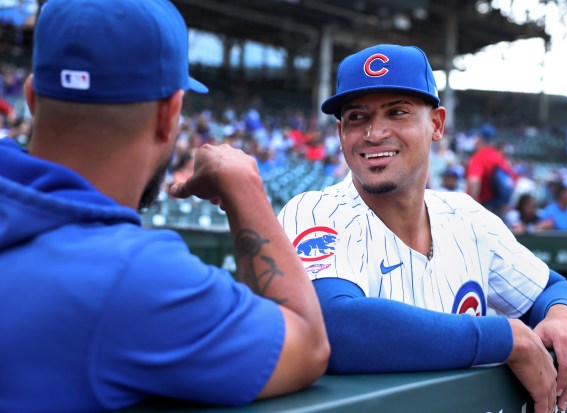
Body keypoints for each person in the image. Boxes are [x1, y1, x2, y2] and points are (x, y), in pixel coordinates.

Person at [0, 1, 329, 412]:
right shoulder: (133, 275)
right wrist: (244, 187)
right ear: (170, 112)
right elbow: (309, 344)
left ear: (31, 97)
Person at [277, 44, 567, 413]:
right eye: (355, 117)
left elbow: (553, 288)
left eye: (397, 112)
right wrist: (503, 337)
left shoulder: (466, 215)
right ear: (339, 131)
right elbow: (334, 327)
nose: (373, 132)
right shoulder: (315, 209)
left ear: (436, 124)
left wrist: (566, 317)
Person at [465, 122, 517, 219]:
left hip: (483, 209)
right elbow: (512, 180)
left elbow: (474, 181)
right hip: (499, 209)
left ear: (479, 138)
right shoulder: (498, 157)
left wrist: (471, 208)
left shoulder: (479, 157)